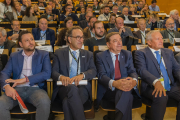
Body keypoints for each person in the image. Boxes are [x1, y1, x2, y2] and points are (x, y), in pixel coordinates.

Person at [0, 30, 51, 120]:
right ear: (20, 44)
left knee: (44, 101)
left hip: (36, 89)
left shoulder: (43, 54)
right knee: (1, 103)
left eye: (32, 39)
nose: (31, 42)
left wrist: (24, 80)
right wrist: (6, 86)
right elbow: (4, 73)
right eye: (27, 40)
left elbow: (47, 73)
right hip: (16, 90)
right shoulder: (14, 56)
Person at [51, 26, 97, 120]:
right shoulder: (59, 53)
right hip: (64, 87)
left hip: (82, 87)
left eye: (82, 37)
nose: (81, 40)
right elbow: (54, 72)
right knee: (71, 89)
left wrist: (82, 75)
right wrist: (61, 77)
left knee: (67, 102)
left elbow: (93, 70)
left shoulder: (87, 54)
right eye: (78, 37)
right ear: (69, 39)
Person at [134, 30, 180, 120]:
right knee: (161, 96)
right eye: (157, 39)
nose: (161, 41)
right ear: (149, 42)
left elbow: (177, 69)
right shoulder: (141, 53)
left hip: (170, 86)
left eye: (161, 38)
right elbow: (142, 70)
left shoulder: (168, 52)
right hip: (150, 87)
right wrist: (156, 81)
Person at [96, 32, 140, 120]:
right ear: (108, 44)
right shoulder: (100, 56)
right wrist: (115, 83)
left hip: (126, 87)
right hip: (110, 89)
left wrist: (134, 81)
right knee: (128, 96)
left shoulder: (127, 54)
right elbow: (101, 75)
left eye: (120, 40)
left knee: (125, 90)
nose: (119, 43)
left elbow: (132, 71)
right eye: (115, 41)